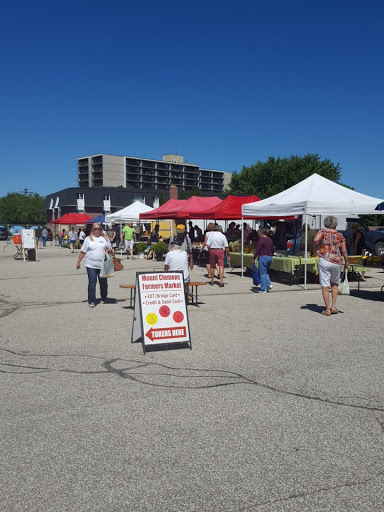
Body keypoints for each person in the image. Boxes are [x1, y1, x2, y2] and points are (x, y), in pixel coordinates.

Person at [313, 216, 349, 316]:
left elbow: (316, 240)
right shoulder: (340, 235)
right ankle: (333, 307)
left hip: (324, 259)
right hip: (337, 261)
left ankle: (327, 309)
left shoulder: (322, 232)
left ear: (325, 224)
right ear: (336, 225)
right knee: (334, 284)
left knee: (325, 285)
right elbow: (344, 250)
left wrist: (317, 249)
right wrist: (346, 262)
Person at [76, 223, 112, 308]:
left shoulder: (105, 239)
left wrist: (108, 251)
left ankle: (103, 297)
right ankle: (91, 300)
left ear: (101, 230)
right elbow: (83, 252)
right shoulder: (88, 239)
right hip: (90, 265)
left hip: (102, 264)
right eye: (95, 229)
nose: (97, 230)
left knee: (103, 283)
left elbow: (111, 250)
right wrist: (78, 261)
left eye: (98, 229)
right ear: (92, 230)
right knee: (92, 283)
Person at [253, 228, 275, 293]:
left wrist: (254, 257)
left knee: (262, 273)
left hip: (263, 257)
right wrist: (271, 256)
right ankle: (269, 284)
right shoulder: (270, 240)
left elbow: (257, 250)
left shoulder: (261, 240)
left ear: (262, 233)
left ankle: (263, 289)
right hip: (269, 257)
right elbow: (272, 249)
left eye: (258, 233)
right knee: (266, 272)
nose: (258, 235)